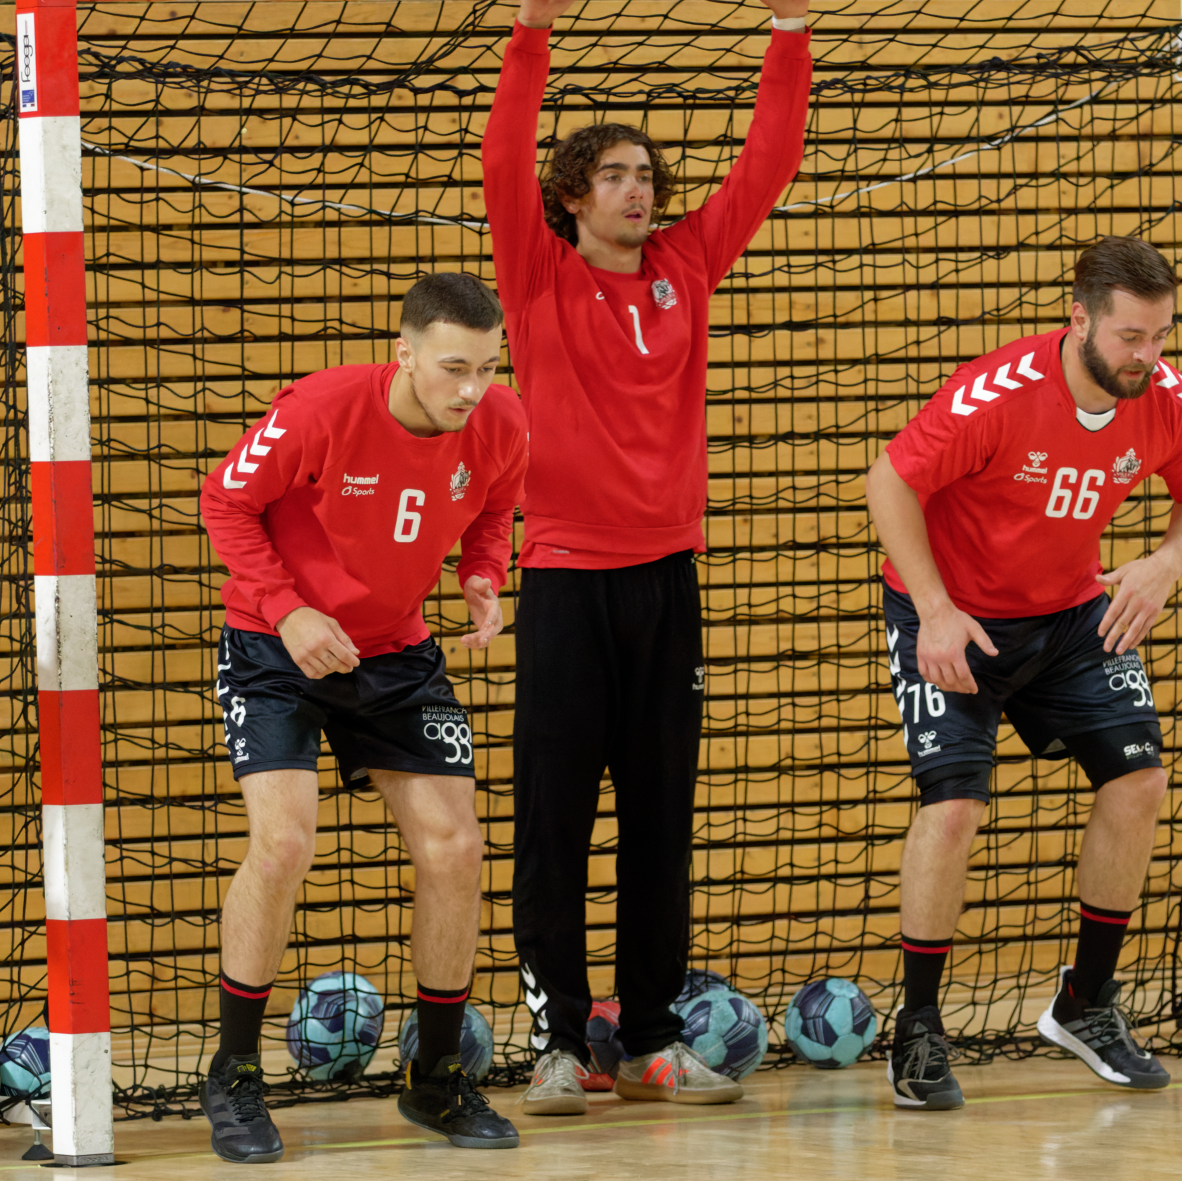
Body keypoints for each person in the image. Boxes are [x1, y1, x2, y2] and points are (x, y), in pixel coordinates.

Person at [482, 0, 812, 1115]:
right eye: (615, 175)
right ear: (573, 196)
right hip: (564, 582)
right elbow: (500, 154)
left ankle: (653, 1038)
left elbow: (768, 164)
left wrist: (788, 30)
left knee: (660, 822)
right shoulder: (536, 272)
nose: (639, 190)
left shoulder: (686, 263)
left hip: (666, 580)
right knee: (555, 822)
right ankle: (560, 1043)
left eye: (646, 176)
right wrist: (530, 32)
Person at [864, 237, 1182, 1109]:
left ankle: (1085, 1003)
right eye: (1130, 337)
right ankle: (917, 1026)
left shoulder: (1166, 398)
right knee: (955, 806)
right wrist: (934, 610)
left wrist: (1166, 562)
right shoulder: (997, 394)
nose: (1148, 356)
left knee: (1139, 781)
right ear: (1079, 320)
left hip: (1067, 614)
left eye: (1160, 336)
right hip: (954, 616)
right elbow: (887, 482)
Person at [195, 274, 527, 1160]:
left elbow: (494, 505)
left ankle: (437, 1078)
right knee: (284, 844)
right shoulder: (320, 410)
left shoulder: (501, 420)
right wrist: (287, 609)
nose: (472, 388)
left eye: (486, 367)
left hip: (395, 652)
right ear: (404, 354)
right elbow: (223, 500)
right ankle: (233, 1074)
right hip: (277, 647)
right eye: (453, 368)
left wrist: (481, 575)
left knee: (456, 848)